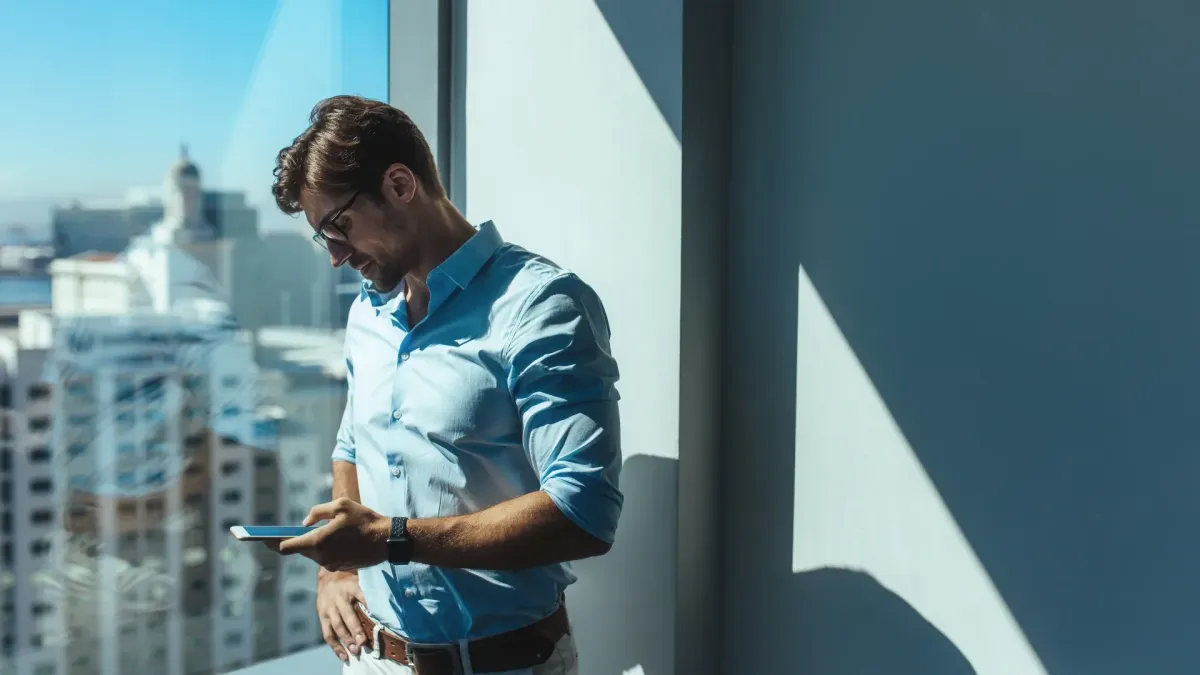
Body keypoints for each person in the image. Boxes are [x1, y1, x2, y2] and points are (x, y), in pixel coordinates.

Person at [266, 95, 623, 675]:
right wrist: (340, 570)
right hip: (374, 661)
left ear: (400, 184)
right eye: (321, 236)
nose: (334, 256)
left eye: (338, 225)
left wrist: (392, 540)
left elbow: (584, 511)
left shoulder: (541, 306)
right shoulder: (367, 315)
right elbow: (353, 444)